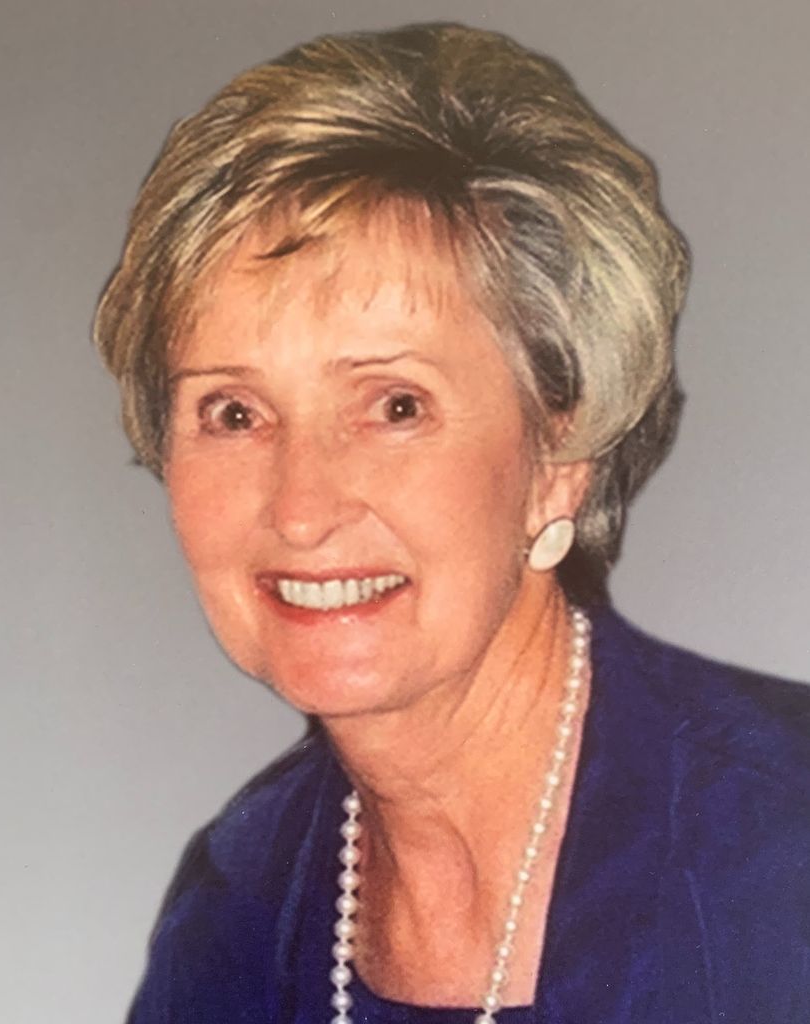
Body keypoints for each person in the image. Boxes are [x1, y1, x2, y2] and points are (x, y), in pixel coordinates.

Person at [94, 22, 810, 1024]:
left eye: (395, 406)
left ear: (558, 460)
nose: (301, 510)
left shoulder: (781, 842)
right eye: (234, 413)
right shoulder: (241, 902)